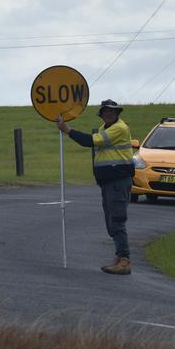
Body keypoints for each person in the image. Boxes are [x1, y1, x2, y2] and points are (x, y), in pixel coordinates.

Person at [56, 99, 135, 275]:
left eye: (111, 111)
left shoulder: (119, 128)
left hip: (118, 180)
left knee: (117, 220)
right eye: (105, 111)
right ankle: (120, 257)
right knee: (111, 221)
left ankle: (124, 260)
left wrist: (68, 130)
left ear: (117, 113)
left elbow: (91, 141)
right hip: (109, 182)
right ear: (102, 114)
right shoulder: (105, 128)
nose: (108, 113)